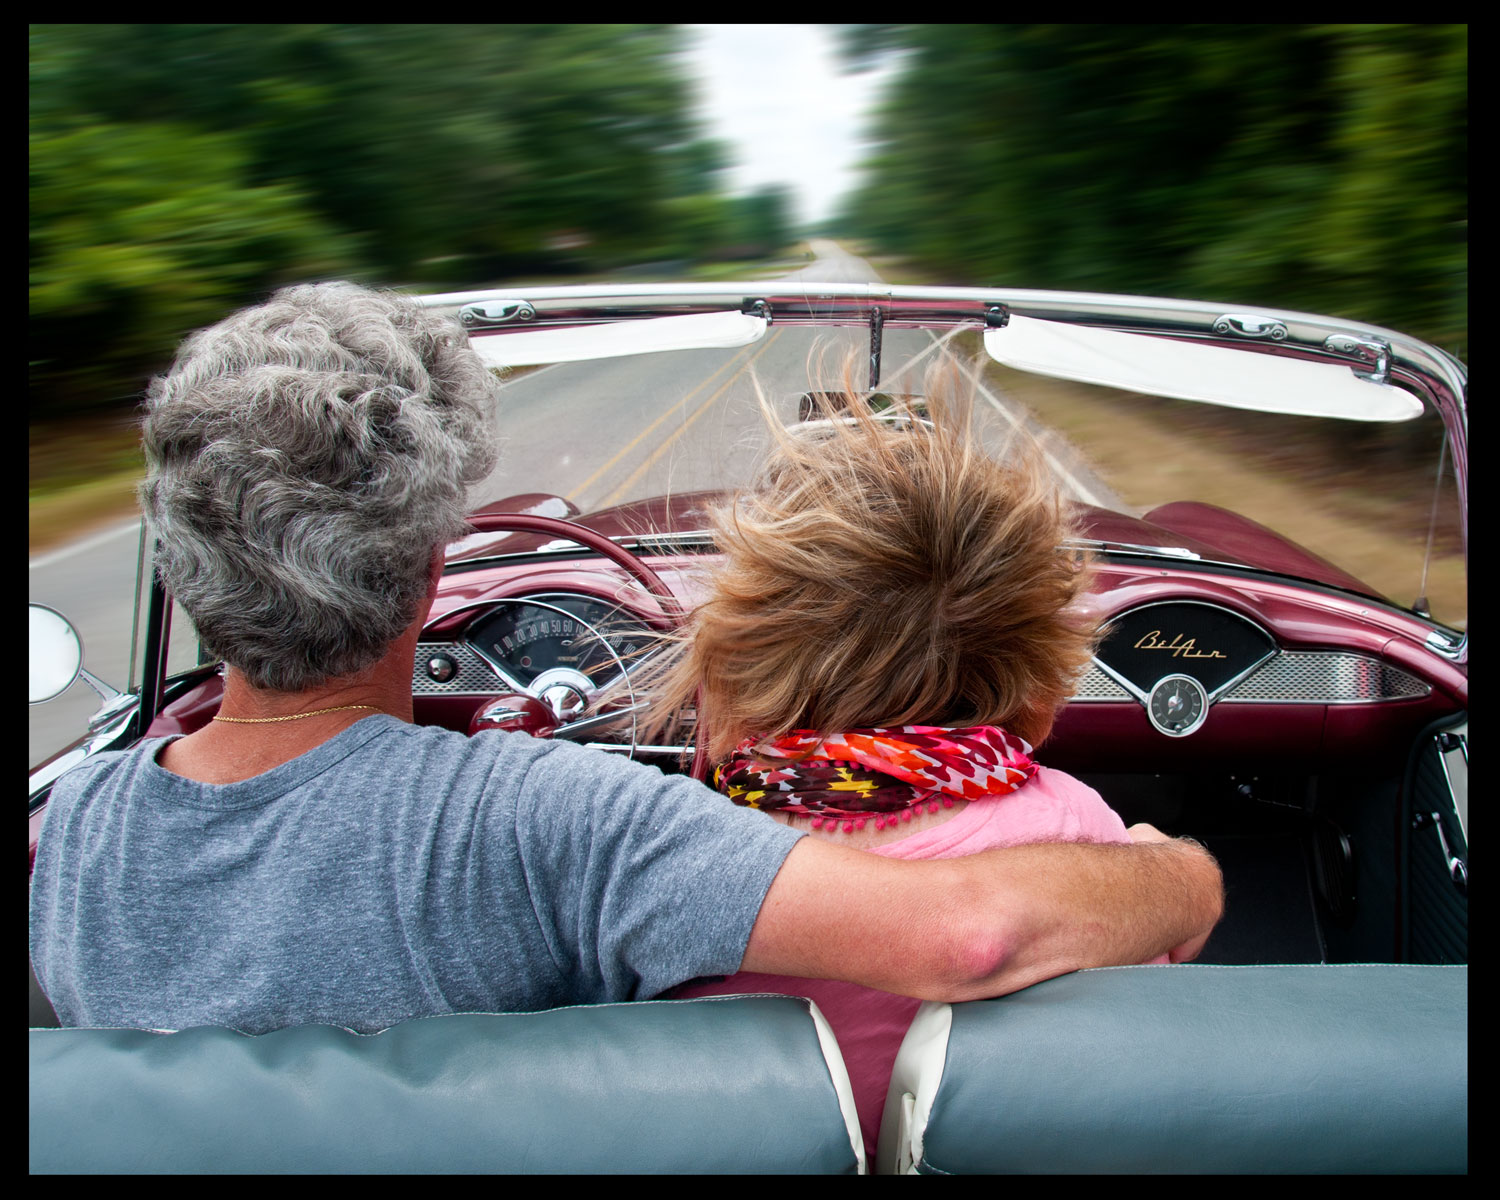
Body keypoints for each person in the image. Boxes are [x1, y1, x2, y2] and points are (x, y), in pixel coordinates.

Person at [29, 283, 1221, 1042]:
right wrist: (1186, 880)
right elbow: (962, 935)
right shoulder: (549, 823)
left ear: (182, 580)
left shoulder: (71, 832)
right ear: (432, 572)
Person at [644, 373, 1171, 1162]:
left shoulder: (675, 848)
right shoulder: (1079, 827)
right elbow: (1146, 1006)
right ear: (1037, 672)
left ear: (741, 655)